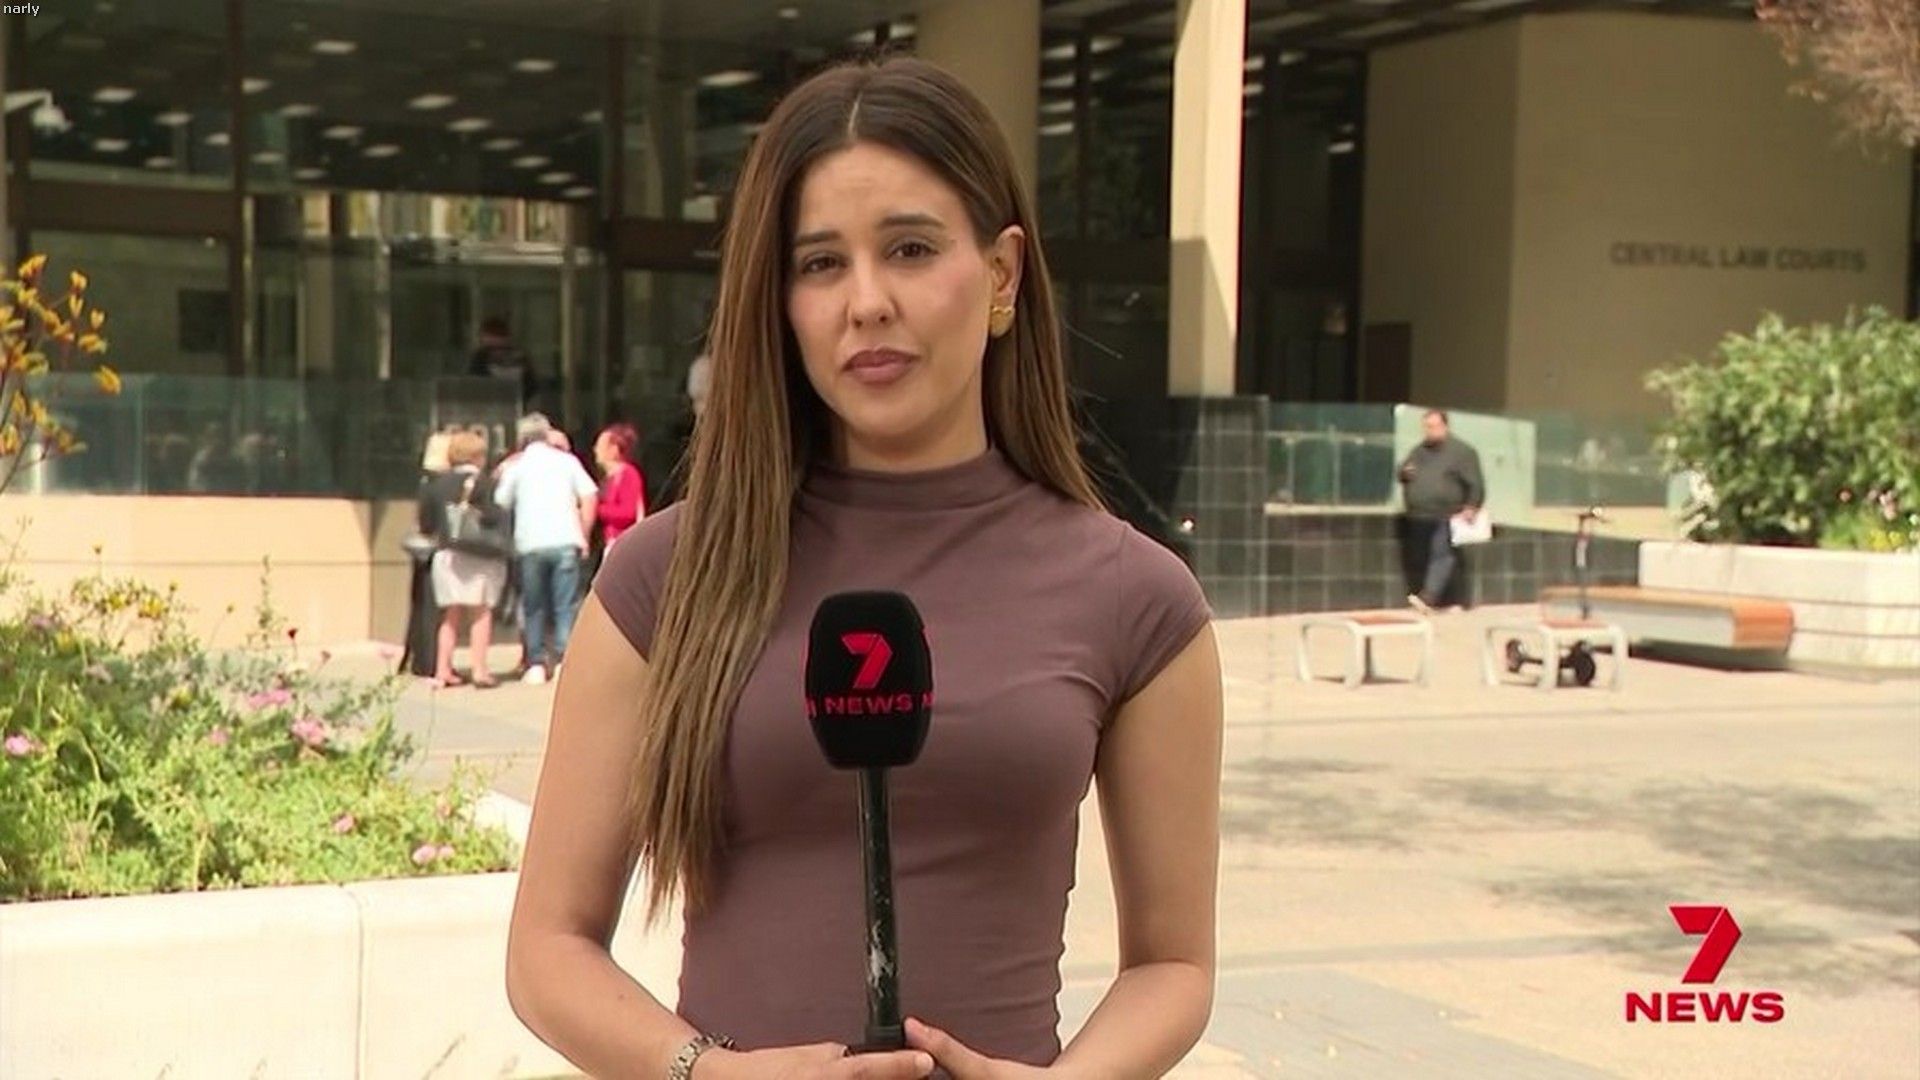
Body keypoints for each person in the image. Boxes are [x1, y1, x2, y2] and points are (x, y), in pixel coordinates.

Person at [506, 57, 1223, 1080]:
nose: (868, 301)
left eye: (911, 248)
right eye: (820, 263)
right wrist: (710, 1072)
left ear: (1003, 275)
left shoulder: (1138, 600)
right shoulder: (663, 577)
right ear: (780, 301)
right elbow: (547, 949)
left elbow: (1173, 964)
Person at [494, 412, 598, 685]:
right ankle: (565, 662)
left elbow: (501, 500)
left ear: (522, 439)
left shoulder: (518, 466)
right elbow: (589, 494)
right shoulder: (567, 461)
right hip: (566, 540)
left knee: (534, 606)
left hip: (531, 543)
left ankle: (537, 663)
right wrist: (584, 533)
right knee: (566, 605)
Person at [417, 429, 509, 688]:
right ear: (478, 456)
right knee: (481, 612)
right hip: (480, 555)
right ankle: (479, 669)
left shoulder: (436, 484)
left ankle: (442, 670)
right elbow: (495, 516)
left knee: (450, 615)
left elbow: (426, 523)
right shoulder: (486, 483)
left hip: (448, 554)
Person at [1396, 408, 1485, 613]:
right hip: (1421, 515)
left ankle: (1429, 597)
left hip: (1449, 514)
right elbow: (1403, 470)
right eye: (1427, 427)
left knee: (1442, 555)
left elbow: (1475, 482)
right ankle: (1447, 600)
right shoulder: (1419, 450)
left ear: (1445, 426)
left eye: (1434, 426)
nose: (1430, 430)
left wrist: (1472, 505)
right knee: (1428, 556)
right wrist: (1404, 472)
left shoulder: (1462, 452)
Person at [592, 421, 647, 553]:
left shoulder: (628, 474)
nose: (595, 449)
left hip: (624, 543)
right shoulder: (609, 478)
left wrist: (596, 509)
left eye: (600, 445)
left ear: (614, 450)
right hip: (613, 541)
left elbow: (628, 512)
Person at [470, 315, 536, 408]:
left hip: (516, 405)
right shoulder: (480, 358)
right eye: (490, 349)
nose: (496, 353)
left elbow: (531, 388)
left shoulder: (519, 358)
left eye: (500, 348)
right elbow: (473, 385)